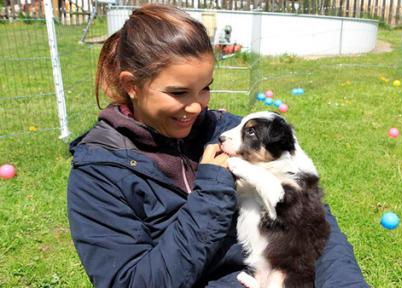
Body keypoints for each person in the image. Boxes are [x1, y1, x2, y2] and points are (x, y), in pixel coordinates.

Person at [67, 4, 369, 288]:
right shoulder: (99, 174)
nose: (197, 107)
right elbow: (132, 281)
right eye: (179, 92)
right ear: (132, 85)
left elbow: (313, 222)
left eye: (205, 88)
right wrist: (211, 193)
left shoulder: (231, 134)